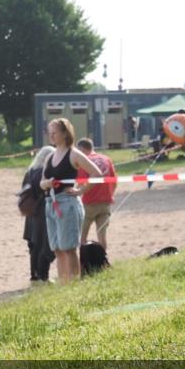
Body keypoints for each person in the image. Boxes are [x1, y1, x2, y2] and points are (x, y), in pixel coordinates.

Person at [42, 119, 102, 282]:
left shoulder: (74, 154)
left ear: (65, 133)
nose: (51, 135)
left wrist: (80, 190)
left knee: (68, 248)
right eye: (49, 132)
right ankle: (63, 283)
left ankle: (73, 283)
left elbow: (96, 173)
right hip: (50, 203)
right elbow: (41, 182)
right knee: (57, 249)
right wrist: (47, 183)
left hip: (67, 204)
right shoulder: (49, 156)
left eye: (54, 132)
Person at [76, 139, 117, 252]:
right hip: (105, 203)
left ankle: (83, 260)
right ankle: (103, 259)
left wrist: (78, 194)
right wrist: (110, 195)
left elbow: (80, 184)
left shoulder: (84, 162)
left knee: (82, 237)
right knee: (102, 236)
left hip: (89, 203)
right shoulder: (106, 159)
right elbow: (114, 181)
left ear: (81, 149)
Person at [21, 146, 55, 284]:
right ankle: (43, 276)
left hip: (31, 212)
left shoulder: (29, 172)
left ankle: (34, 275)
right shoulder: (45, 172)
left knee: (34, 244)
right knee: (44, 243)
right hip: (43, 210)